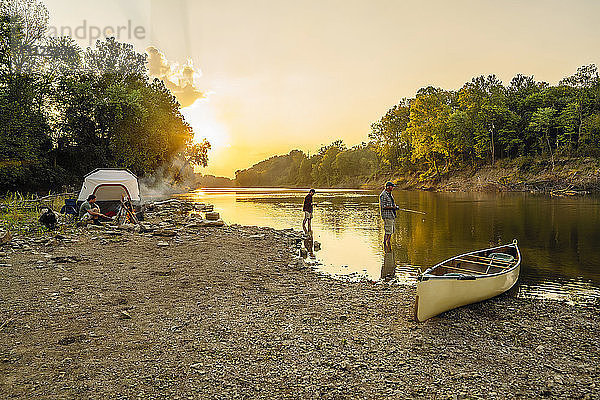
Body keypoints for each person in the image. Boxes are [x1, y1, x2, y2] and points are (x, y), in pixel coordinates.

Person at [379, 181, 399, 248]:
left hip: (391, 215)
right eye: (392, 186)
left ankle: (387, 245)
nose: (393, 187)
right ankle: (386, 245)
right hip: (387, 216)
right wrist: (393, 207)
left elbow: (391, 203)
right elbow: (383, 206)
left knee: (390, 231)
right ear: (388, 187)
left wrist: (395, 207)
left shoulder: (389, 194)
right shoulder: (383, 195)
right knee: (388, 231)